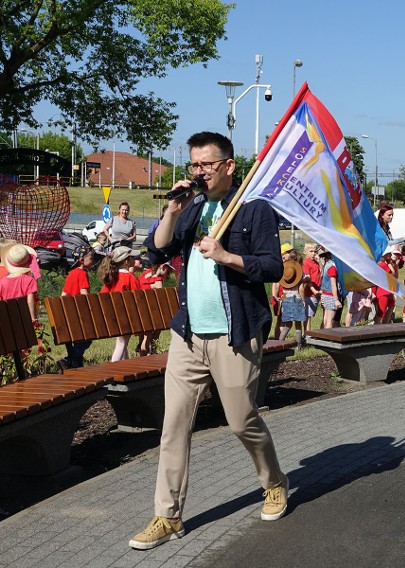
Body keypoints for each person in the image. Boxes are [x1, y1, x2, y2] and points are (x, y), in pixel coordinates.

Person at [130, 131, 287, 551]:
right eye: (193, 165)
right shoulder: (192, 205)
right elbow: (157, 251)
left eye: (206, 165)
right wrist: (170, 210)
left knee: (241, 421)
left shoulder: (253, 209)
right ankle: (168, 515)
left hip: (234, 335)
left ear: (228, 166)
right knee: (174, 427)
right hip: (188, 334)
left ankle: (273, 482)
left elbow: (273, 268)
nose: (198, 172)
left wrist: (225, 256)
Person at [98, 246, 141, 362]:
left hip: (112, 316)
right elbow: (139, 297)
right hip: (126, 317)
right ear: (126, 261)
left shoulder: (112, 277)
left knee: (123, 341)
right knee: (121, 343)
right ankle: (113, 367)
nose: (135, 259)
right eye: (132, 257)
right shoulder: (129, 277)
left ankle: (126, 366)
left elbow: (103, 296)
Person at [59, 246, 95, 369]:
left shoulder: (71, 273)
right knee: (87, 338)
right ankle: (69, 359)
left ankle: (76, 361)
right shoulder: (82, 274)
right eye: (91, 258)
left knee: (77, 338)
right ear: (81, 260)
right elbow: (83, 294)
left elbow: (64, 294)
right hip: (80, 312)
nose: (93, 260)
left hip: (69, 312)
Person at [138, 261, 174, 356]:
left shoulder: (143, 275)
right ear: (163, 266)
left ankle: (144, 354)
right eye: (168, 270)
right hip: (152, 312)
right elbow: (161, 299)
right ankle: (151, 352)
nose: (168, 273)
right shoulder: (157, 281)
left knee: (145, 335)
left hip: (140, 310)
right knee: (155, 329)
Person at [0, 244, 39, 321]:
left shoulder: (2, 282)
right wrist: (33, 318)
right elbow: (30, 301)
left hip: (7, 318)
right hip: (23, 318)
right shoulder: (29, 280)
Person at [375, 245, 399, 324]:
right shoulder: (382, 264)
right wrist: (389, 264)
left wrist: (395, 265)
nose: (390, 255)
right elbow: (392, 273)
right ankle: (377, 327)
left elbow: (396, 276)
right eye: (388, 254)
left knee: (392, 305)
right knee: (381, 312)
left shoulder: (385, 264)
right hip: (383, 291)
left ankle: (385, 324)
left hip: (387, 289)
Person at [319, 248, 342, 329]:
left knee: (325, 319)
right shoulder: (332, 267)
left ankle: (321, 337)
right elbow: (333, 284)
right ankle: (327, 339)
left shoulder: (326, 265)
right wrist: (336, 300)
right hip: (331, 296)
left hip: (325, 294)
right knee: (330, 321)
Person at [301, 243, 322, 332]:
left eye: (315, 251)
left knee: (311, 314)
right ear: (305, 252)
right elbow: (308, 279)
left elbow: (321, 272)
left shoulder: (315, 262)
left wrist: (319, 262)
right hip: (310, 293)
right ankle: (307, 335)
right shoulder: (306, 263)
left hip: (317, 291)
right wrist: (315, 291)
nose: (314, 253)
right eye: (311, 251)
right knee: (308, 315)